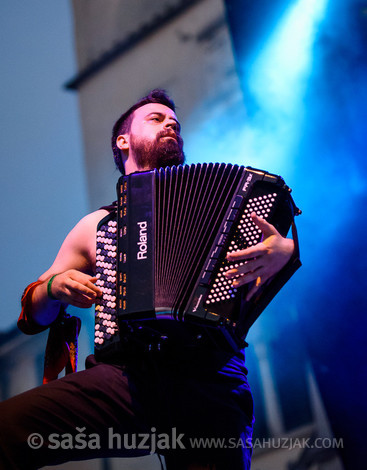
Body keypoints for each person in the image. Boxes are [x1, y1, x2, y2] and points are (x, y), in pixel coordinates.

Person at [0, 90, 300, 470]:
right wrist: (55, 287)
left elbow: (299, 245)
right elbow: (33, 314)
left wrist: (287, 251)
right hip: (127, 379)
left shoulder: (226, 207)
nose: (171, 123)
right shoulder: (97, 225)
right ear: (122, 141)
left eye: (174, 121)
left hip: (212, 382)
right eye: (155, 118)